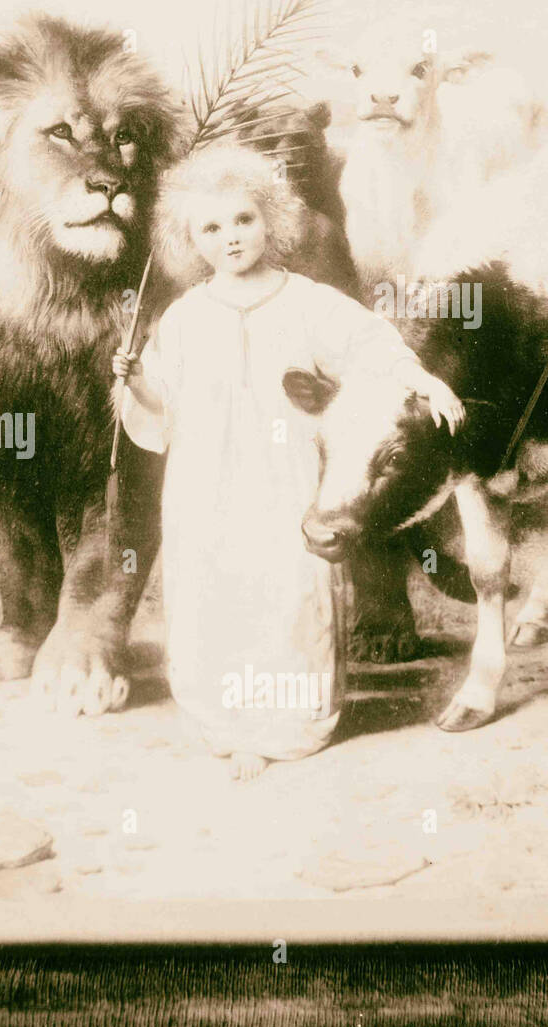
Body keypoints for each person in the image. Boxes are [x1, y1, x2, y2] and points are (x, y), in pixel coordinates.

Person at [113, 144, 463, 780]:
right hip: (205, 484)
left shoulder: (309, 301)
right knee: (216, 591)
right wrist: (134, 379)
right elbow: (160, 412)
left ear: (269, 219)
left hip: (289, 481)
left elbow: (372, 347)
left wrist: (423, 381)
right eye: (210, 228)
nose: (230, 238)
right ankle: (227, 723)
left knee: (287, 592)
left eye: (242, 219)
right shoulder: (185, 317)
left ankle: (286, 725)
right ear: (191, 240)